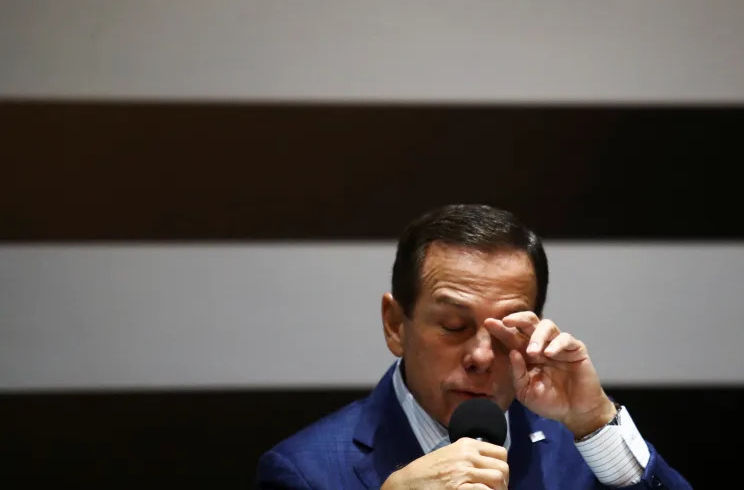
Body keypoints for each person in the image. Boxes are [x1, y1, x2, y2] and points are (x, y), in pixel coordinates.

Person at [257, 204, 692, 489]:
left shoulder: (579, 450)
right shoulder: (303, 471)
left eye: (506, 334)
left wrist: (597, 421)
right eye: (452, 326)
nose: (482, 357)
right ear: (395, 325)